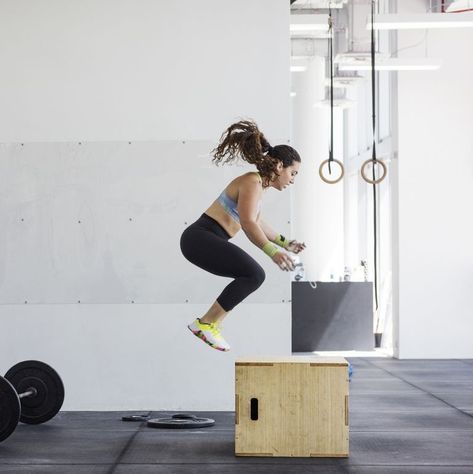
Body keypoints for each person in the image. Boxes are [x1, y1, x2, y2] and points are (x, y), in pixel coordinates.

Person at [180, 120, 306, 352]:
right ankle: (206, 324)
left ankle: (208, 324)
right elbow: (247, 223)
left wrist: (285, 243)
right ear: (279, 166)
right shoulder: (252, 181)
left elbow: (256, 220)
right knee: (254, 274)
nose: (292, 180)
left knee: (252, 275)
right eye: (292, 173)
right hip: (200, 237)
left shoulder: (259, 186)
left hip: (204, 239)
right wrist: (273, 252)